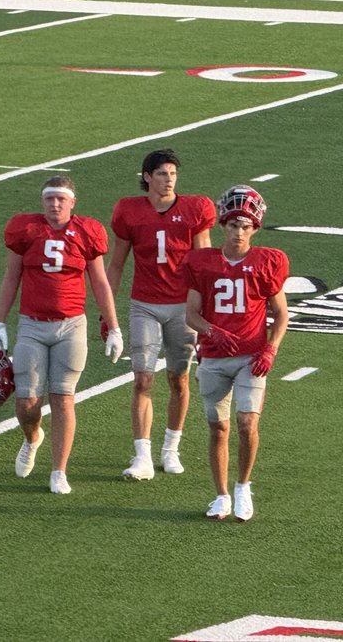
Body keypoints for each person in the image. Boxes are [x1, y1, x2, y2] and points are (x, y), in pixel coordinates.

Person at [0, 175, 123, 495]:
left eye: (61, 199)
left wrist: (114, 325)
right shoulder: (27, 231)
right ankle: (33, 436)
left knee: (64, 399)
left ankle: (58, 471)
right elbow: (12, 277)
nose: (54, 204)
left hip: (71, 325)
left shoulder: (86, 233)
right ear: (42, 201)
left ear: (72, 203)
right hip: (32, 325)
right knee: (27, 403)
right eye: (49, 199)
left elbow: (100, 282)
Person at [107, 148, 215, 481]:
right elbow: (116, 264)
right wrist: (107, 314)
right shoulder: (129, 211)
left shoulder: (195, 209)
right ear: (147, 177)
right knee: (142, 379)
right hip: (145, 304)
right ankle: (142, 455)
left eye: (172, 174)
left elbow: (204, 262)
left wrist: (205, 313)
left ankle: (171, 449)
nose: (169, 180)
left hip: (183, 307)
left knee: (178, 380)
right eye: (162, 174)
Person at [183, 184, 288, 522]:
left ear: (254, 228)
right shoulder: (202, 262)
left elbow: (281, 314)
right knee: (218, 428)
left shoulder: (268, 261)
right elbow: (191, 315)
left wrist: (271, 349)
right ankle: (221, 494)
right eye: (233, 225)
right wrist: (213, 331)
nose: (239, 232)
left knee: (246, 423)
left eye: (245, 226)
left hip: (250, 357)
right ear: (223, 226)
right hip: (214, 355)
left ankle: (243, 486)